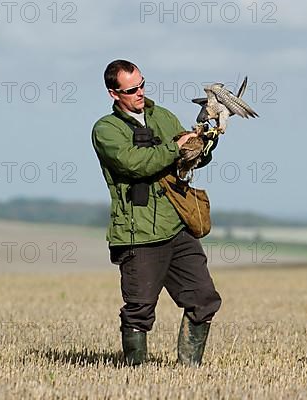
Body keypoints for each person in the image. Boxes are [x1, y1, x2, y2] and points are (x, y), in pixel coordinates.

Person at [91, 59, 222, 366]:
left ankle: (190, 372)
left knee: (204, 299)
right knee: (139, 310)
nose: (140, 92)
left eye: (142, 84)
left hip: (177, 225)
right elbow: (135, 164)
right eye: (132, 89)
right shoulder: (106, 130)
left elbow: (186, 160)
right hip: (139, 234)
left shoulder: (162, 116)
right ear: (114, 93)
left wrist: (203, 146)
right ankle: (135, 377)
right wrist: (176, 147)